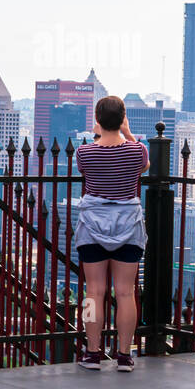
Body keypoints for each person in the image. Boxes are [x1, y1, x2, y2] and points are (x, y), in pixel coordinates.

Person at [74, 95, 149, 372]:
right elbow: (144, 166)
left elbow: (84, 172)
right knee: (125, 293)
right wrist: (128, 133)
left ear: (97, 120)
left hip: (93, 225)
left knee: (94, 291)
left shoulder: (85, 152)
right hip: (128, 226)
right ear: (123, 118)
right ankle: (124, 355)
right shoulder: (136, 150)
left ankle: (92, 353)